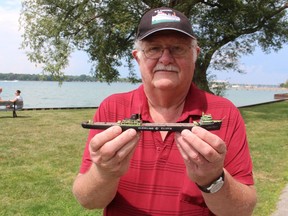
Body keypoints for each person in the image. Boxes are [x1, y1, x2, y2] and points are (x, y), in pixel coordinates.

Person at [73, 7, 257, 216]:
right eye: (153, 49)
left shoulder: (225, 113)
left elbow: (243, 210)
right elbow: (87, 200)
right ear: (137, 58)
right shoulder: (112, 107)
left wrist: (213, 179)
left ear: (195, 55)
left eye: (178, 48)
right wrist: (104, 172)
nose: (166, 58)